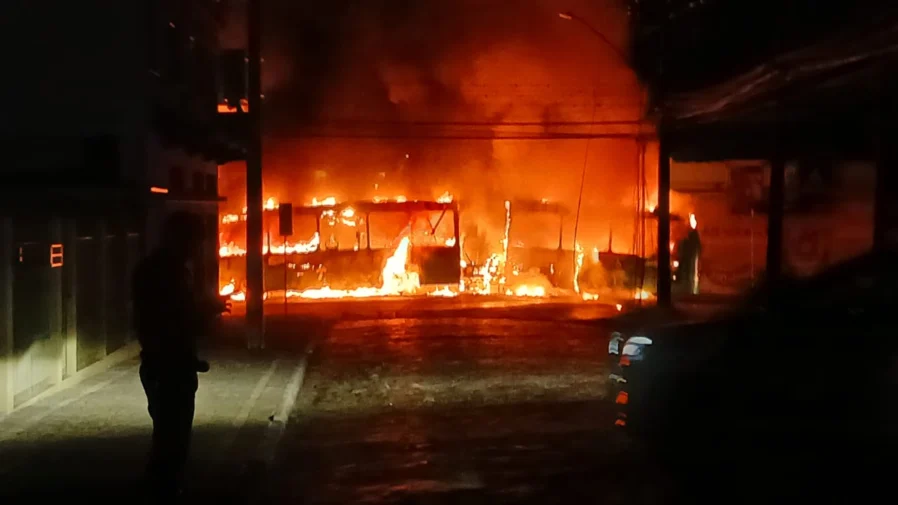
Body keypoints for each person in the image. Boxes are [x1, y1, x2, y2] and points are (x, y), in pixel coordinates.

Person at [131, 211, 229, 500]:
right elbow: (172, 318)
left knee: (169, 435)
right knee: (171, 437)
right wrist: (206, 312)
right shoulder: (165, 272)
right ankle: (163, 491)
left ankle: (165, 487)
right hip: (168, 366)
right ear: (182, 240)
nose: (198, 249)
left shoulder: (162, 269)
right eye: (195, 241)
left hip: (167, 363)